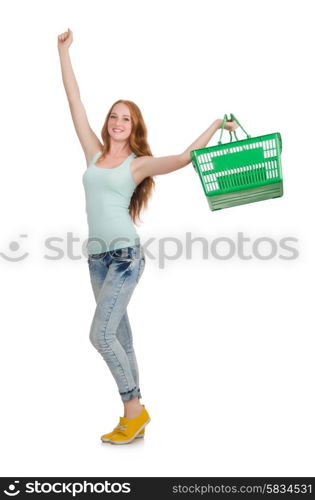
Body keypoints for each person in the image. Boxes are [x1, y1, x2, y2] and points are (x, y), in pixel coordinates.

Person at [57, 28, 238, 445]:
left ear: (134, 126)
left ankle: (133, 410)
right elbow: (74, 101)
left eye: (127, 118)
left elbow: (182, 158)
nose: (118, 122)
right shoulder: (94, 153)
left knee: (99, 335)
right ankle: (133, 415)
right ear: (107, 123)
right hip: (96, 259)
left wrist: (214, 124)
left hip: (123, 258)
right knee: (119, 336)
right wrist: (63, 53)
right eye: (114, 116)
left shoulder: (137, 165)